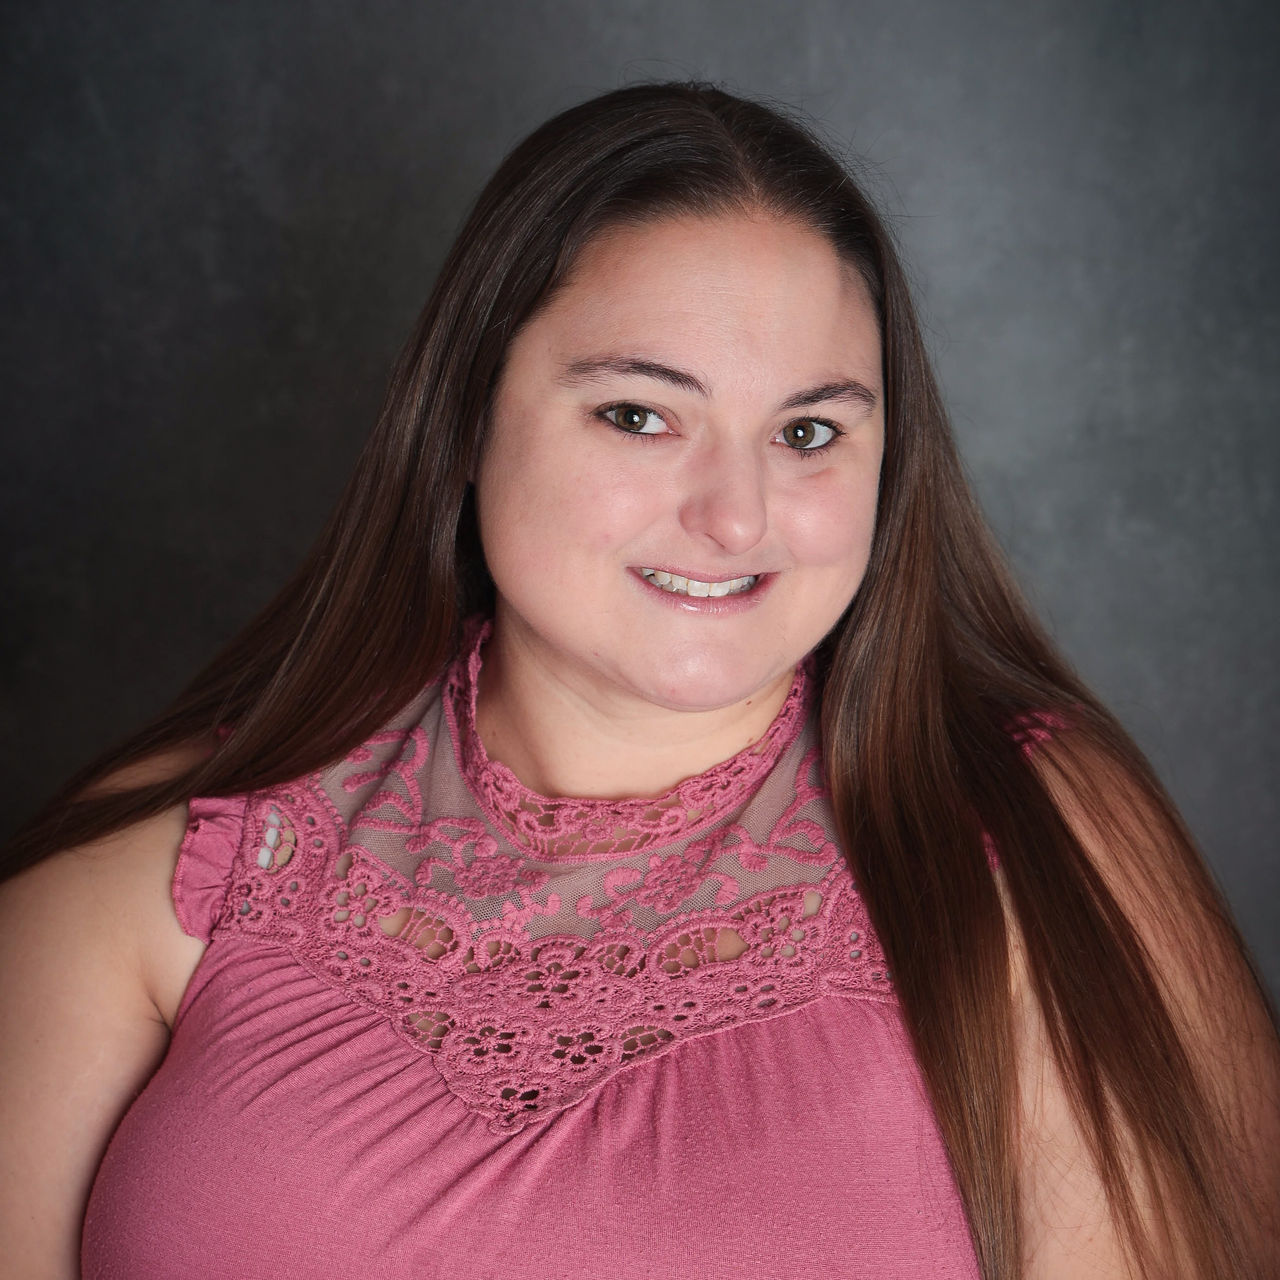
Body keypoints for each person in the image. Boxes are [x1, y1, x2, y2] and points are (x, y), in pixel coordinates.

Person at [1, 82, 1276, 1280]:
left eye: (808, 432)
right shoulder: (171, 854)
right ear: (462, 418)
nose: (735, 516)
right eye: (638, 414)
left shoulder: (1030, 833)